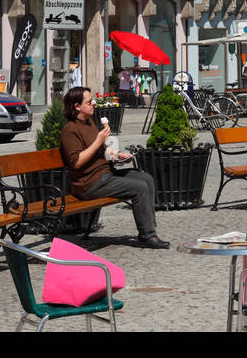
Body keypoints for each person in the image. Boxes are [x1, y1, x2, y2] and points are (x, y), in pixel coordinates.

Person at [59, 86, 168, 249]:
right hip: (89, 184)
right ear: (77, 106)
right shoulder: (70, 130)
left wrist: (117, 155)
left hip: (105, 175)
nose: (93, 104)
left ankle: (148, 228)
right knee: (140, 187)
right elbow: (77, 162)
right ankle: (148, 236)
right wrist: (99, 140)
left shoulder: (89, 123)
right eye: (89, 102)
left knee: (146, 178)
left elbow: (102, 151)